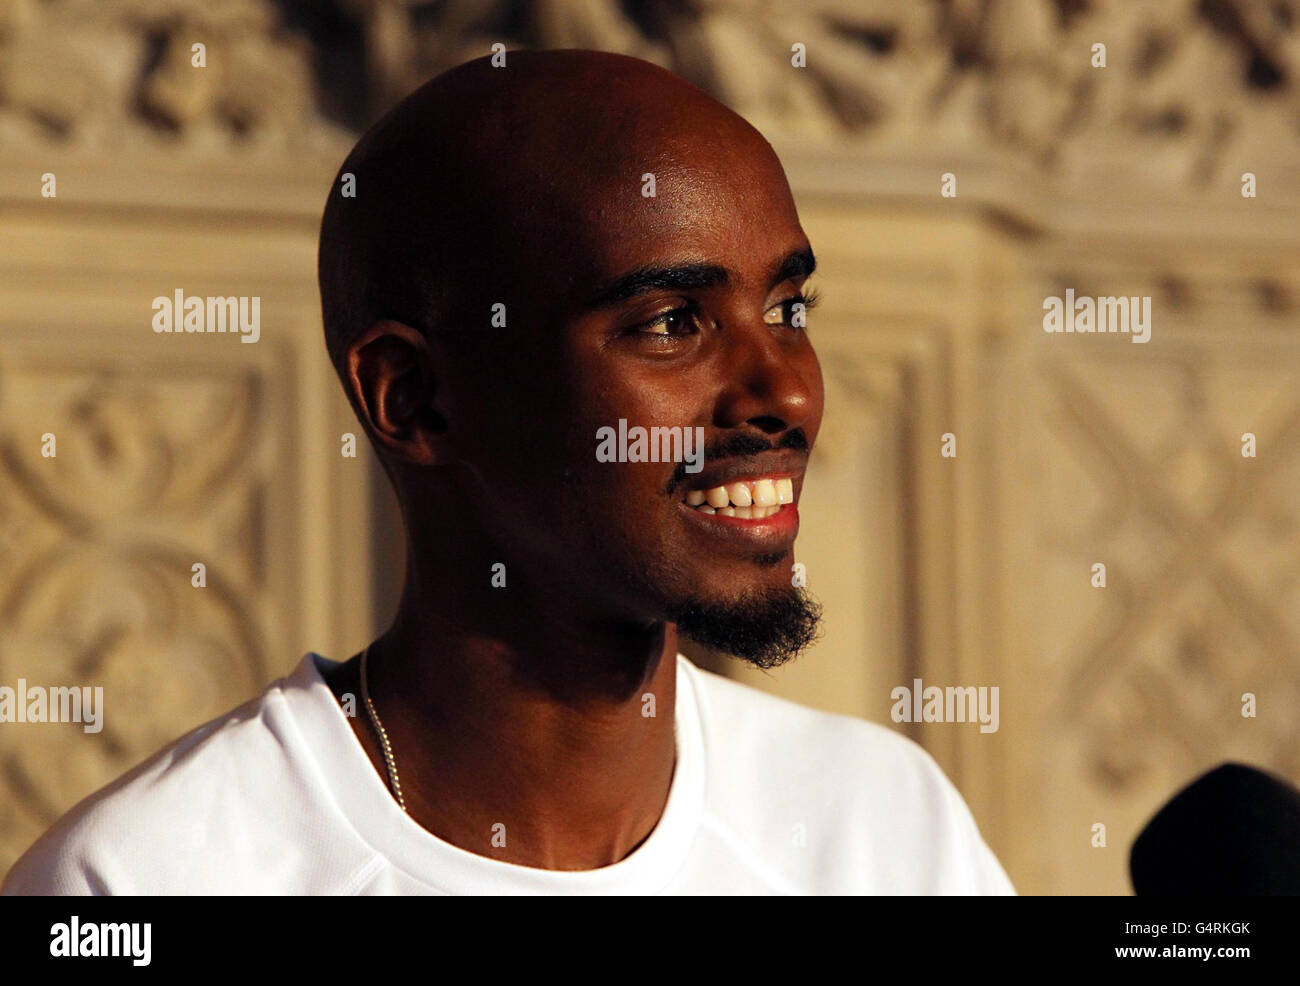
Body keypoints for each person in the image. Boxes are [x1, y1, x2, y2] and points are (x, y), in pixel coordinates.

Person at [2, 49, 1014, 895]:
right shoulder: (144, 878)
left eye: (787, 309)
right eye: (670, 323)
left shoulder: (882, 829)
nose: (785, 395)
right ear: (414, 397)